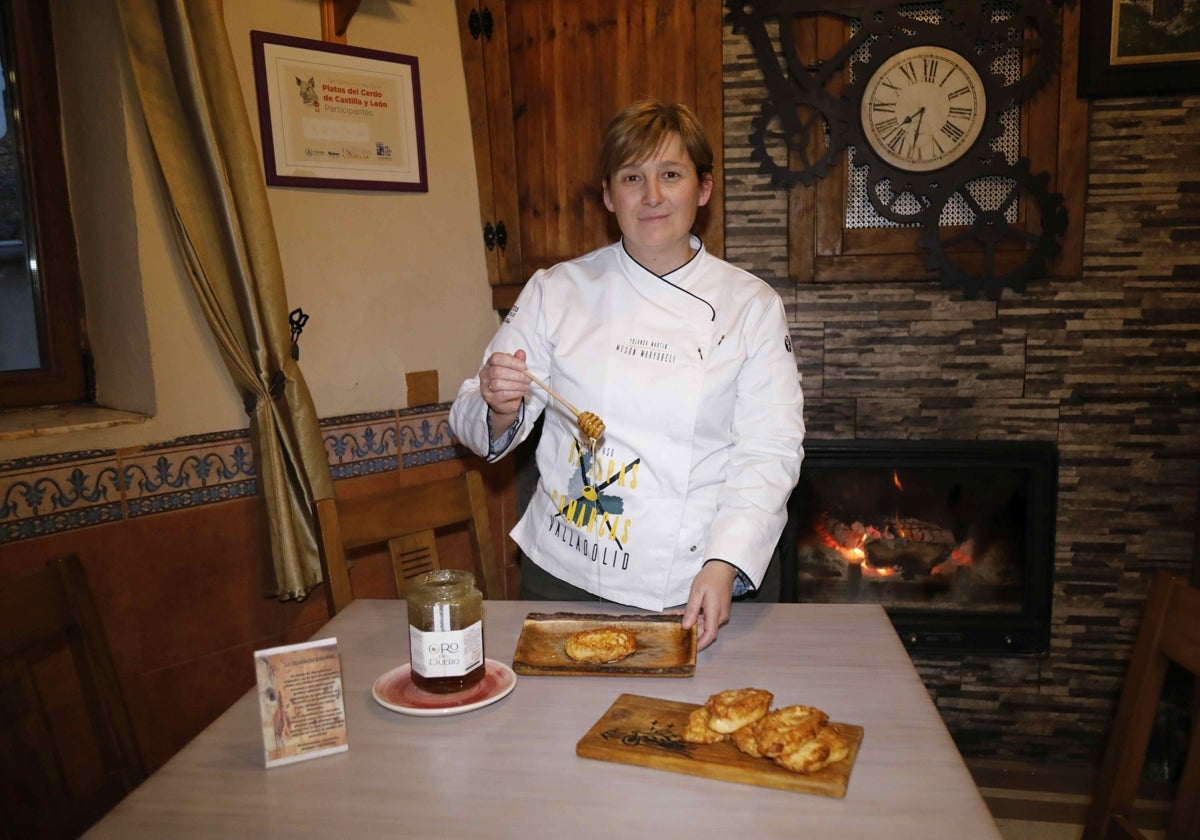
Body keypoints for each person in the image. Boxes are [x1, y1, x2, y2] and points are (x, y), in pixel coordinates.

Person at [449, 99, 804, 650]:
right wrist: (498, 404)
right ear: (610, 196)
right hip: (568, 570)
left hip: (699, 579)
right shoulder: (556, 290)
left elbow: (770, 448)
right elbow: (472, 416)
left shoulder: (750, 305)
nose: (653, 195)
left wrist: (725, 562)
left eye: (671, 174)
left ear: (703, 189)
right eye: (632, 177)